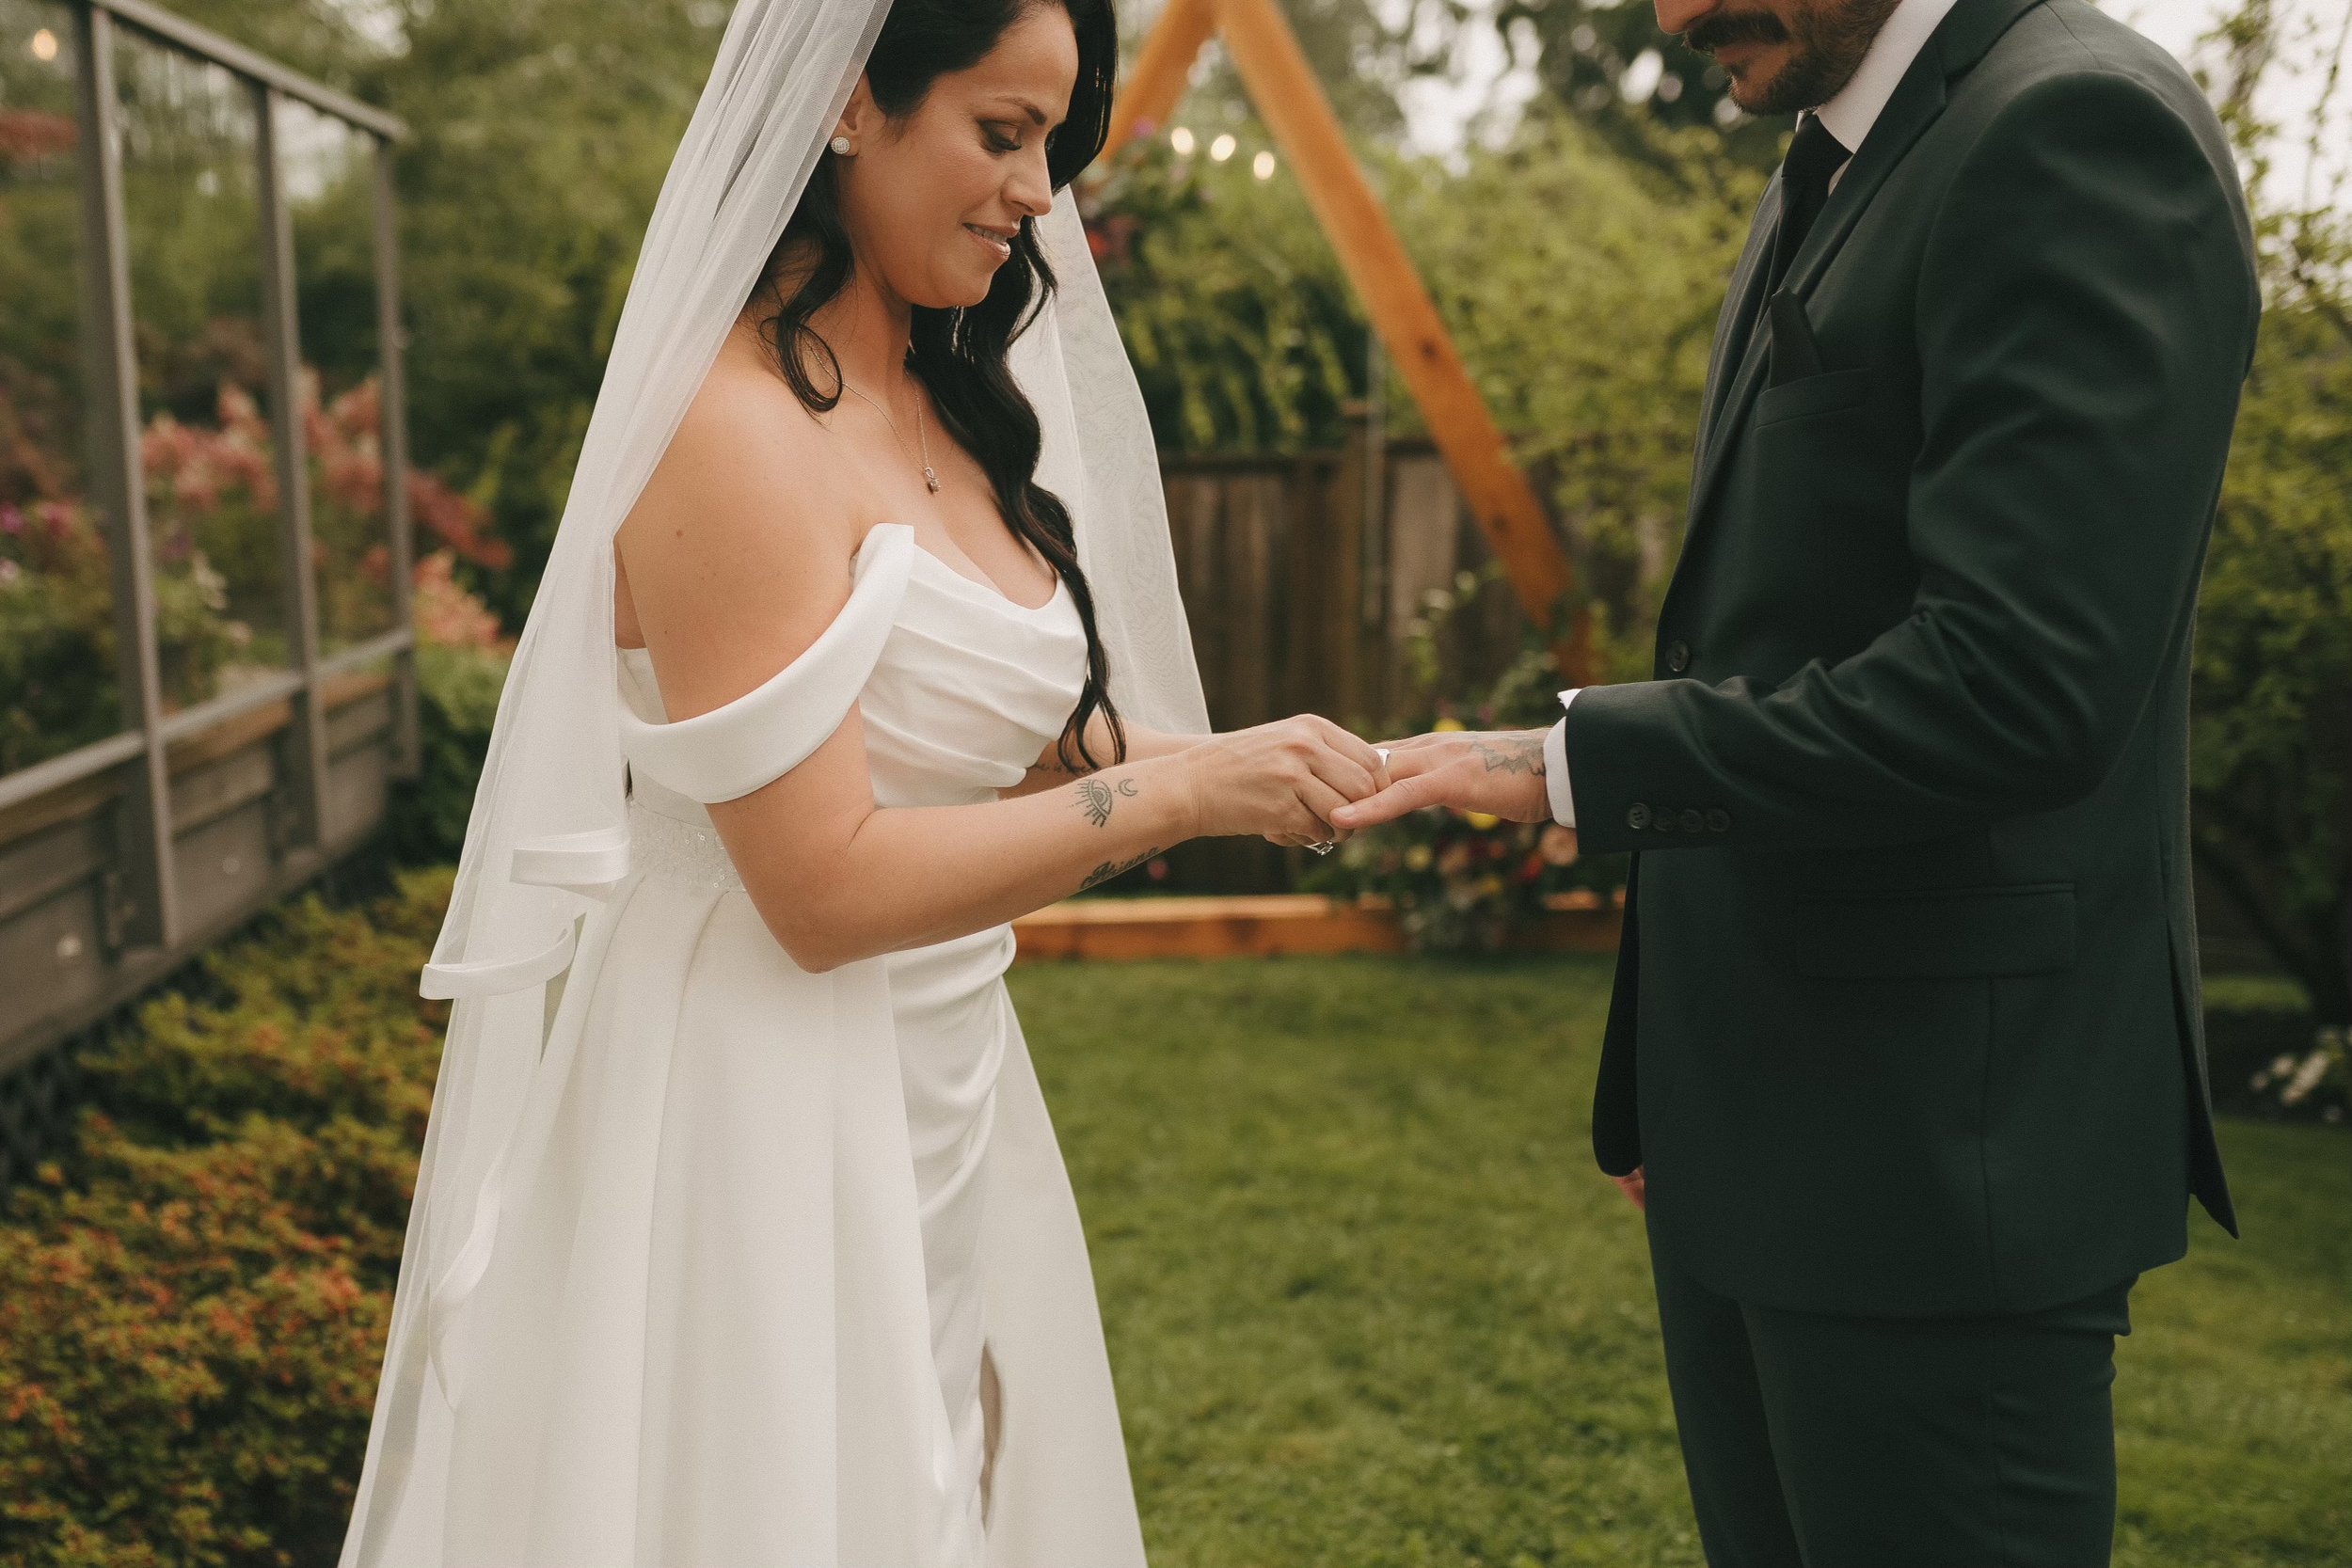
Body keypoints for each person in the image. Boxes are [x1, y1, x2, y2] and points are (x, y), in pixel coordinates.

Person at [339, 2, 1382, 1563]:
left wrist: (1258, 763)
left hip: (950, 1066)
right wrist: (1177, 805)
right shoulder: (733, 433)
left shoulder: (951, 400)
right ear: (846, 107)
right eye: (1001, 132)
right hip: (754, 1090)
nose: (1040, 193)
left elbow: (1009, 729)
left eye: (1054, 142)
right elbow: (818, 890)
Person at [1334, 0, 2258, 1561]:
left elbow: (2014, 688)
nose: (1672, 16)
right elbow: (1777, 631)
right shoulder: (1833, 154)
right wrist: (1688, 1095)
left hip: (1938, 1165)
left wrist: (1564, 761)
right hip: (1766, 1134)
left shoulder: (2078, 130)